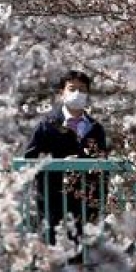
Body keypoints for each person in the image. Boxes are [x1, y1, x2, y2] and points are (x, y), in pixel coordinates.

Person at [24, 70, 108, 246]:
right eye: (72, 88)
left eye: (82, 90)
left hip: (85, 201)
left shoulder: (95, 128)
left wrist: (99, 197)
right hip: (53, 199)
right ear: (62, 93)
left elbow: (102, 163)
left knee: (82, 250)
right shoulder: (47, 125)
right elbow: (30, 159)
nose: (77, 93)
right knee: (54, 249)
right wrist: (57, 164)